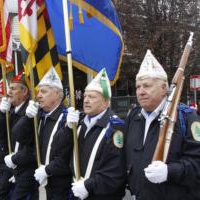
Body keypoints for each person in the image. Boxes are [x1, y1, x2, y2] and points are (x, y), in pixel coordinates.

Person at [124, 50, 200, 200]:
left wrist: (169, 171)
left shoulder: (185, 116)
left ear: (164, 88)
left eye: (147, 85)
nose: (141, 91)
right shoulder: (133, 116)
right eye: (138, 87)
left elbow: (197, 163)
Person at [65, 68, 126, 200]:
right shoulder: (79, 123)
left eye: (92, 97)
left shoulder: (115, 128)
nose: (86, 100)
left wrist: (88, 185)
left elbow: (114, 171)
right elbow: (60, 149)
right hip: (77, 192)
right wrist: (67, 128)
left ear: (105, 102)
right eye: (85, 96)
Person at [24, 67, 73, 199]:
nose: (38, 95)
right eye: (39, 91)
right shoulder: (41, 116)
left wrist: (47, 170)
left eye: (43, 91)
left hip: (63, 184)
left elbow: (65, 156)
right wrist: (27, 118)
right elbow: (19, 137)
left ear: (57, 94)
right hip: (48, 181)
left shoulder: (67, 119)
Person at [0, 71, 37, 199]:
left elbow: (33, 147)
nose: (9, 92)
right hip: (12, 167)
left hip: (26, 169)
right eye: (9, 88)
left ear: (24, 92)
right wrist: (0, 113)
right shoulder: (11, 110)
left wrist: (15, 158)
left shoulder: (31, 113)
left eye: (13, 89)